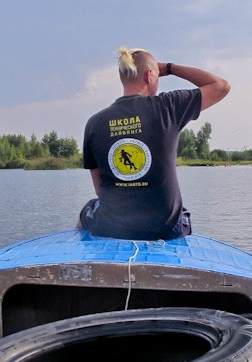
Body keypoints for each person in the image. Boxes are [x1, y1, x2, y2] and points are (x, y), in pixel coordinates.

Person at [78, 47, 230, 240]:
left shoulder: (94, 123)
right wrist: (169, 68)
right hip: (166, 229)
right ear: (150, 75)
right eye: (157, 76)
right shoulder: (168, 107)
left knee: (87, 211)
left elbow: (100, 189)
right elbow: (221, 86)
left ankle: (79, 257)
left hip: (111, 227)